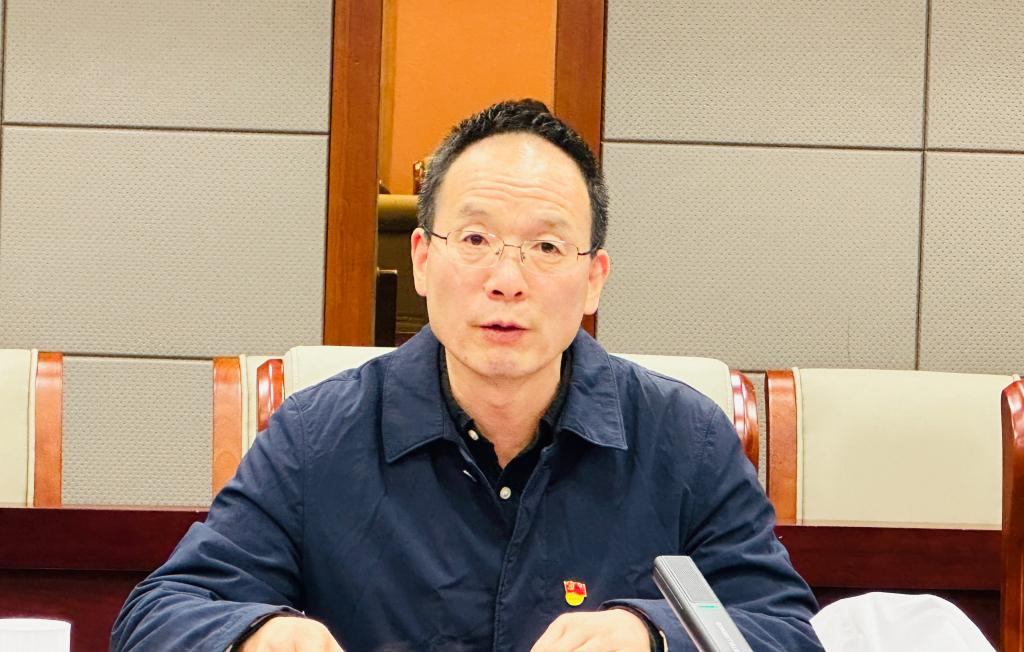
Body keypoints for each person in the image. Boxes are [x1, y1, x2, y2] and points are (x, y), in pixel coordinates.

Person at [111, 99, 823, 651]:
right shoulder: (316, 436)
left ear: (594, 279)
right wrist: (255, 634)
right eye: (476, 238)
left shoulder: (685, 439)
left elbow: (784, 628)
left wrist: (652, 634)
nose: (507, 279)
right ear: (422, 259)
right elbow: (159, 615)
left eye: (547, 246)